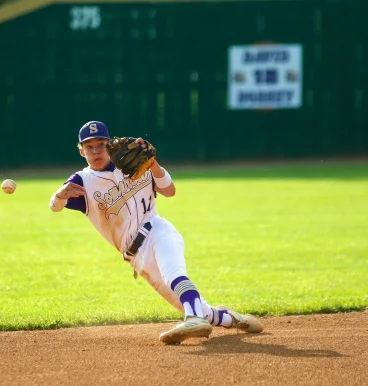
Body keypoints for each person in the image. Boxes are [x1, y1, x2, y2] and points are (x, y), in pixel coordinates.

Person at [49, 120, 263, 344]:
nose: (96, 151)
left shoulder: (135, 162)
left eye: (101, 144)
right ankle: (233, 319)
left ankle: (193, 318)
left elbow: (169, 191)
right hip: (137, 258)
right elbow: (54, 207)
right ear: (81, 151)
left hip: (157, 230)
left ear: (110, 144)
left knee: (174, 275)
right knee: (198, 308)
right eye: (89, 146)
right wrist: (60, 195)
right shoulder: (82, 181)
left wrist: (153, 164)